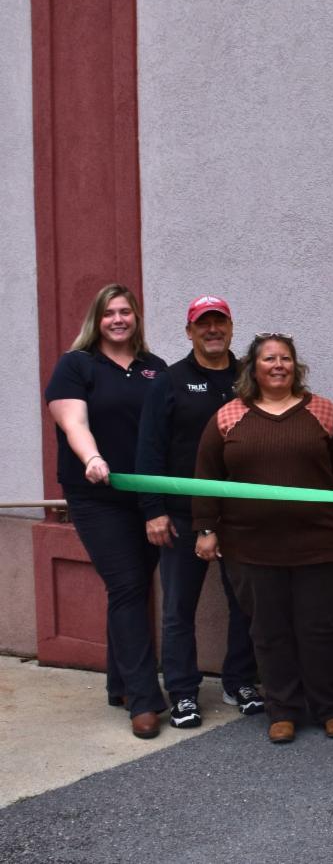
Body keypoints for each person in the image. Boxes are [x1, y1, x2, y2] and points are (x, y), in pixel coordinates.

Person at [192, 334, 333, 744]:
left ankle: (330, 709)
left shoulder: (322, 411)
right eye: (269, 359)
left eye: (285, 358)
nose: (278, 365)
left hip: (319, 544)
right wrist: (206, 527)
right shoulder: (229, 417)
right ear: (253, 368)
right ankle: (283, 709)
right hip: (251, 547)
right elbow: (206, 476)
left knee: (319, 628)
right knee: (268, 631)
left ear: (295, 366)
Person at [45, 283, 169, 738]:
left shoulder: (155, 369)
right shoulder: (76, 365)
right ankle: (144, 698)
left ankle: (120, 683)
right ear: (96, 320)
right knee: (128, 585)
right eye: (109, 313)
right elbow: (72, 421)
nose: (119, 319)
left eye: (126, 312)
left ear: (136, 317)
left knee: (132, 590)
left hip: (148, 499)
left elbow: (163, 432)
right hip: (97, 496)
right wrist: (92, 459)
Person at [136, 295, 262, 730]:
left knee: (245, 603)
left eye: (219, 323)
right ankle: (184, 693)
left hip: (238, 517)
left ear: (231, 328)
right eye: (203, 324)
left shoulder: (249, 378)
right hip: (181, 517)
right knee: (178, 610)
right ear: (189, 331)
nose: (212, 330)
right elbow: (149, 448)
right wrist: (153, 510)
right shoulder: (168, 381)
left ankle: (240, 681)